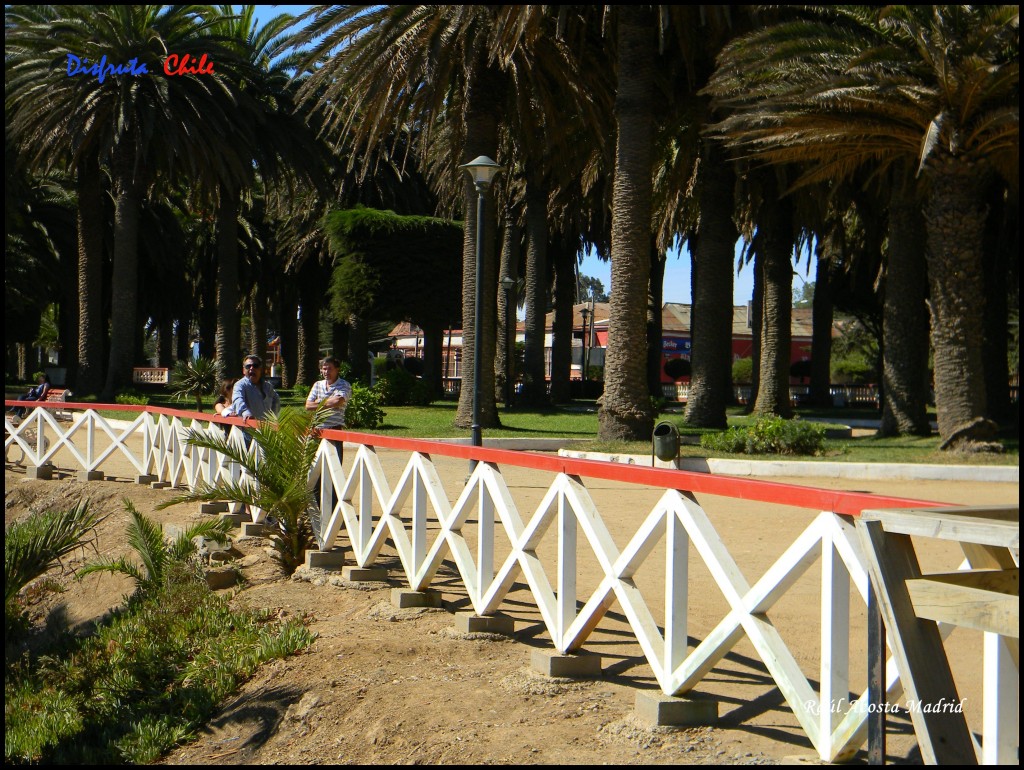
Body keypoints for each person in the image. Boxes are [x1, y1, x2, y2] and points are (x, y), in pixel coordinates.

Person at [231, 355, 280, 422]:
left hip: (267, 429)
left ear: (260, 369)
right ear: (243, 370)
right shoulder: (240, 385)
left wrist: (273, 417)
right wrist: (246, 412)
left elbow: (276, 399)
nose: (251, 368)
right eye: (248, 366)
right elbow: (238, 400)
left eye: (255, 366)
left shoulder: (268, 386)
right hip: (248, 428)